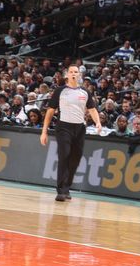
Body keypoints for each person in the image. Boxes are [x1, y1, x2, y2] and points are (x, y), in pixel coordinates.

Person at [40, 64, 103, 201]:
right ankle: (61, 190)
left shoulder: (85, 92)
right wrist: (44, 131)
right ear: (67, 75)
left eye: (76, 72)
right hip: (63, 127)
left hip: (79, 128)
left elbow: (92, 109)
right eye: (71, 72)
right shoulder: (60, 91)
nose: (74, 74)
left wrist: (98, 122)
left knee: (75, 159)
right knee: (65, 156)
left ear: (79, 75)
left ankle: (67, 187)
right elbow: (50, 111)